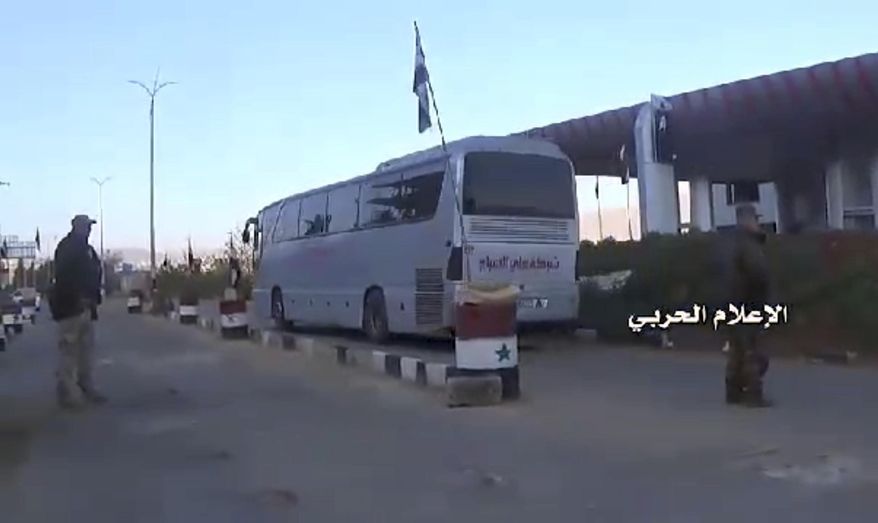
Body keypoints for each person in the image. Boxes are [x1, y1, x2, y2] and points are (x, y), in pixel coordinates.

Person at [50, 214, 106, 409]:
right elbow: (64, 277)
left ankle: (85, 386)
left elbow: (95, 273)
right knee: (69, 351)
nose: (89, 230)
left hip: (86, 307)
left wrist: (93, 298)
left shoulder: (87, 250)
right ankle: (66, 392)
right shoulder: (67, 248)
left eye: (90, 227)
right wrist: (77, 296)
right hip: (70, 307)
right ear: (76, 227)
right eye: (86, 226)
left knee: (85, 351)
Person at [725, 204, 772, 408]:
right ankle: (753, 393)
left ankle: (733, 392)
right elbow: (758, 273)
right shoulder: (749, 244)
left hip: (731, 303)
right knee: (752, 350)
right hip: (748, 302)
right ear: (748, 220)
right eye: (755, 219)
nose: (758, 223)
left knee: (737, 349)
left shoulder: (729, 243)